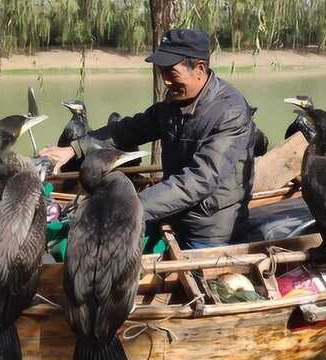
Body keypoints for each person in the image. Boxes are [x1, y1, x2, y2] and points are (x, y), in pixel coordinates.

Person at [40, 29, 255, 249]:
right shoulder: (174, 103)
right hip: (172, 214)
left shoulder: (230, 112)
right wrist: (75, 149)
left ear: (199, 69)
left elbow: (197, 181)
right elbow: (128, 130)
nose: (165, 81)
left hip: (209, 229)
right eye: (161, 72)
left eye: (171, 72)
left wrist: (127, 206)